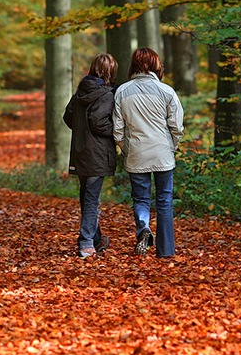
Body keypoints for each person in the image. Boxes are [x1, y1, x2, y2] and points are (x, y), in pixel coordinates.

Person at [113, 48, 184, 257]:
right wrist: (172, 147)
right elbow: (177, 127)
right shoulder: (167, 91)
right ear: (155, 65)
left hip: (137, 153)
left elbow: (117, 130)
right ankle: (166, 250)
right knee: (164, 200)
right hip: (162, 153)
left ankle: (143, 228)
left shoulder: (122, 91)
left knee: (141, 199)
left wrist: (127, 149)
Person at [63, 53, 119, 258]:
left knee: (86, 197)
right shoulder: (107, 94)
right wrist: (115, 131)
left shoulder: (80, 92)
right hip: (97, 153)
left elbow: (67, 115)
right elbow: (98, 121)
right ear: (110, 72)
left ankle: (96, 239)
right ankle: (86, 243)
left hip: (80, 150)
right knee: (92, 199)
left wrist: (80, 130)